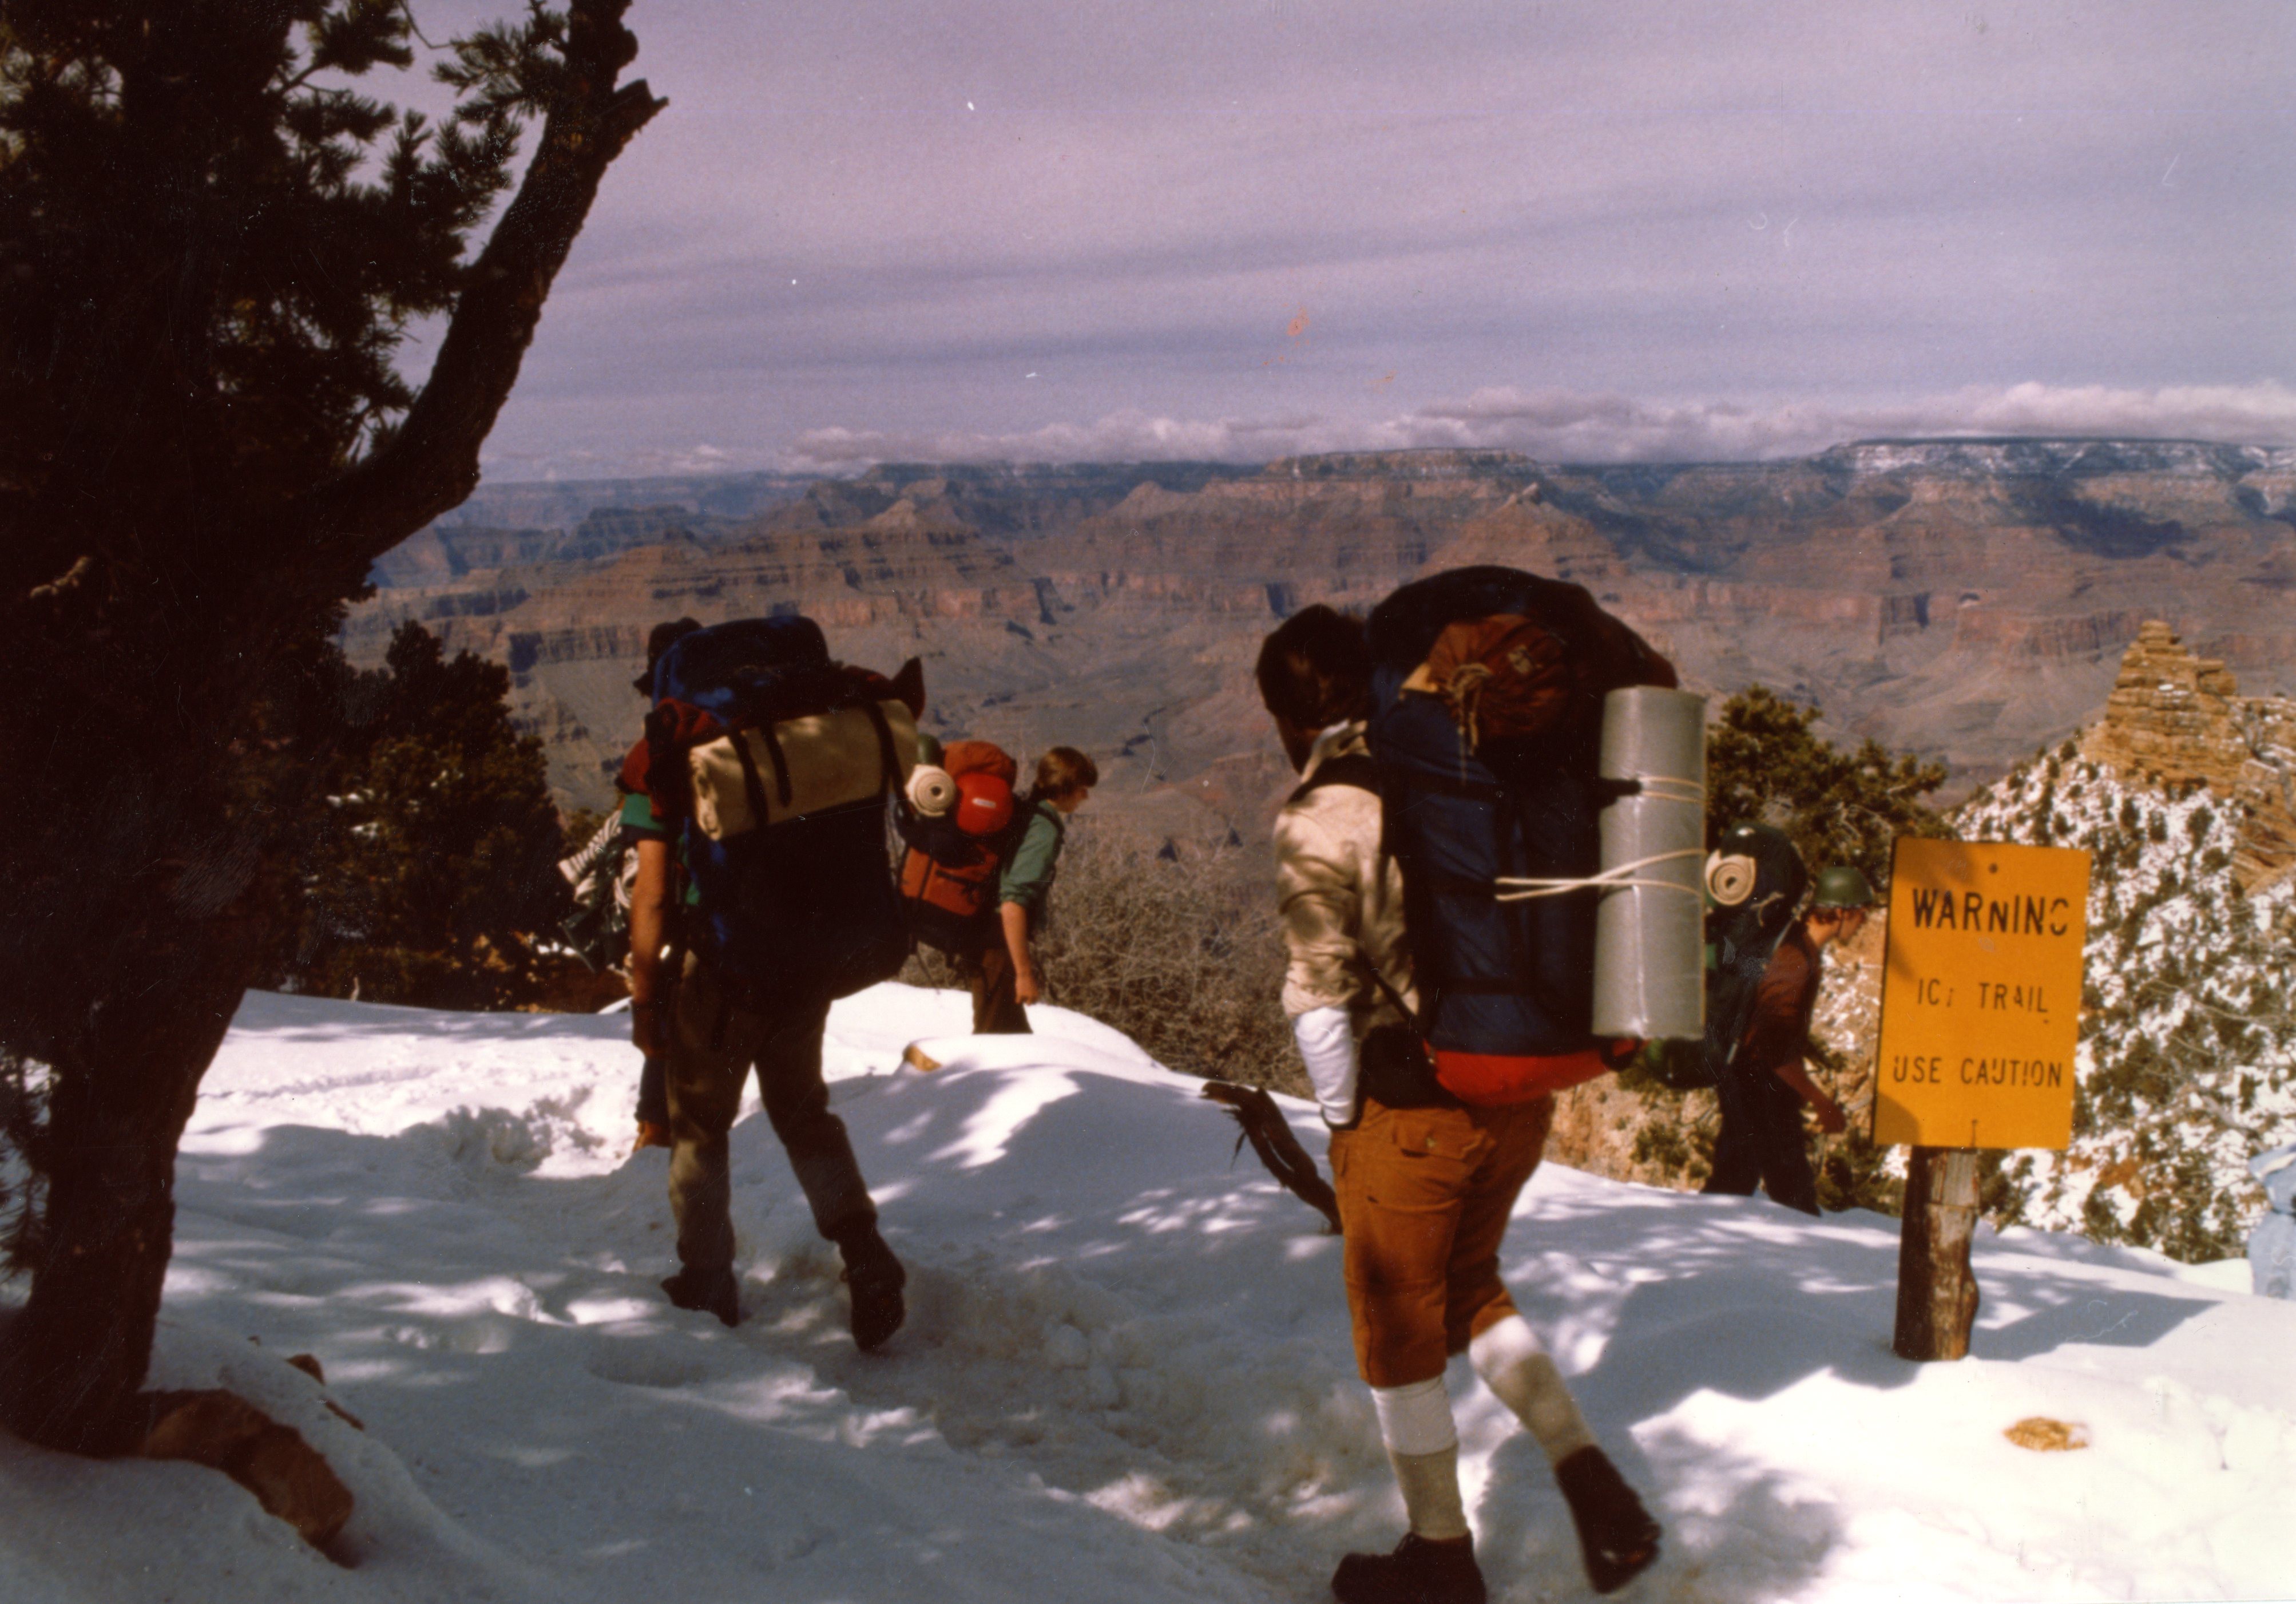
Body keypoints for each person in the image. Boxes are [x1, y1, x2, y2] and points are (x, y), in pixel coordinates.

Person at [1257, 605, 1660, 1603]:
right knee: (1472, 1284)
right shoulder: (1469, 760)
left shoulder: (1320, 814)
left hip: (1413, 1106)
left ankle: (1438, 1554)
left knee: (1395, 1327)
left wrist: (1344, 1117)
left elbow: (1317, 995)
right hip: (1515, 1086)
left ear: (1281, 714)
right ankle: (1587, 1473)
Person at [625, 623, 907, 1350]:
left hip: (723, 972)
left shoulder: (669, 759)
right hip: (806, 963)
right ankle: (866, 1253)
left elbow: (652, 897)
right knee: (804, 1112)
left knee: (700, 1127)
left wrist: (645, 993)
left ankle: (707, 1279)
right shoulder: (806, 733)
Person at [1702, 864, 1875, 1216]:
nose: (1862, 926)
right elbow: (1776, 1048)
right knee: (1788, 1192)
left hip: (1747, 1077)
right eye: (1860, 916)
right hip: (1757, 1082)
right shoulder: (1795, 959)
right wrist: (1821, 1101)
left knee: (1739, 1181)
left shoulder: (1792, 942)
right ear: (1841, 912)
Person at [614, 616, 702, 1151]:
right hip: (784, 930)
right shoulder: (759, 735)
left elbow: (649, 893)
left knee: (673, 1019)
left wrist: (643, 1005)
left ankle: (657, 1134)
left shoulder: (656, 758)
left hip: (705, 933)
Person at [972, 746, 1097, 1034]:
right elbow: (1013, 904)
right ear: (1065, 788)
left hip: (987, 937)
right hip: (997, 943)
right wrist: (1024, 973)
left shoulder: (1028, 810)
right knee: (994, 1043)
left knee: (1011, 1039)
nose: (1086, 797)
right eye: (1081, 789)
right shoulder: (1044, 830)